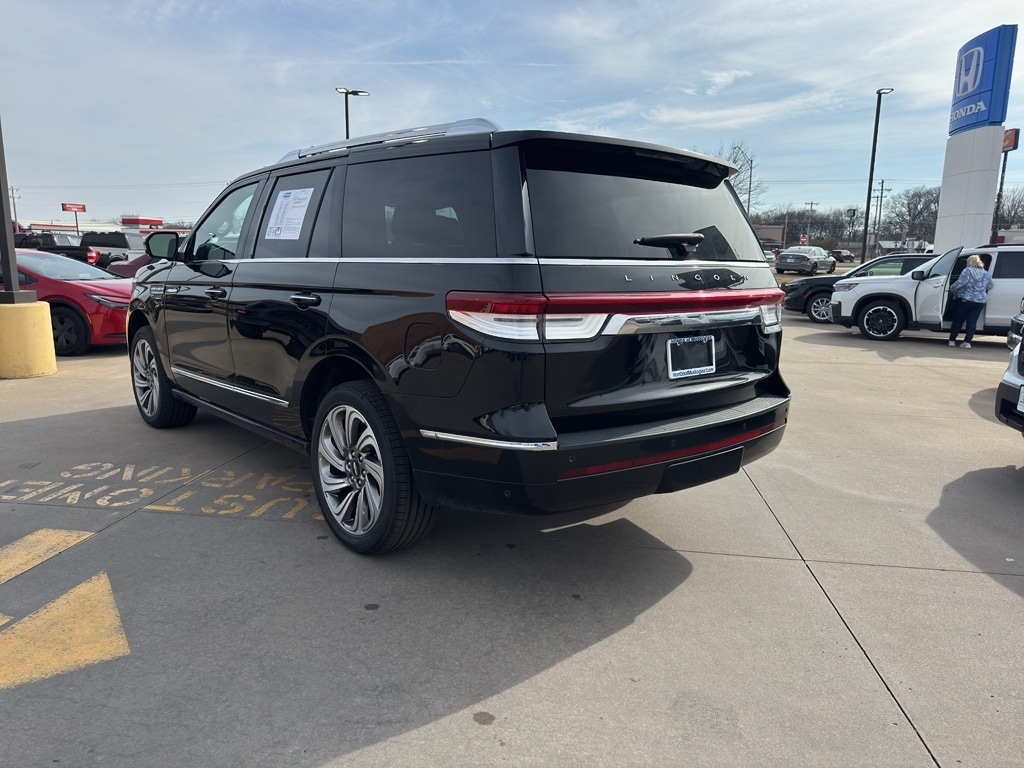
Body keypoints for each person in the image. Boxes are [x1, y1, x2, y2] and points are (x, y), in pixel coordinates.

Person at [947, 254, 994, 349]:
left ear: (969, 262)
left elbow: (961, 282)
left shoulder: (967, 270)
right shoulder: (986, 273)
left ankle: (952, 340)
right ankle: (967, 342)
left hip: (966, 298)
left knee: (958, 320)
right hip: (980, 300)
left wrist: (951, 288)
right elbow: (991, 285)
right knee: (972, 322)